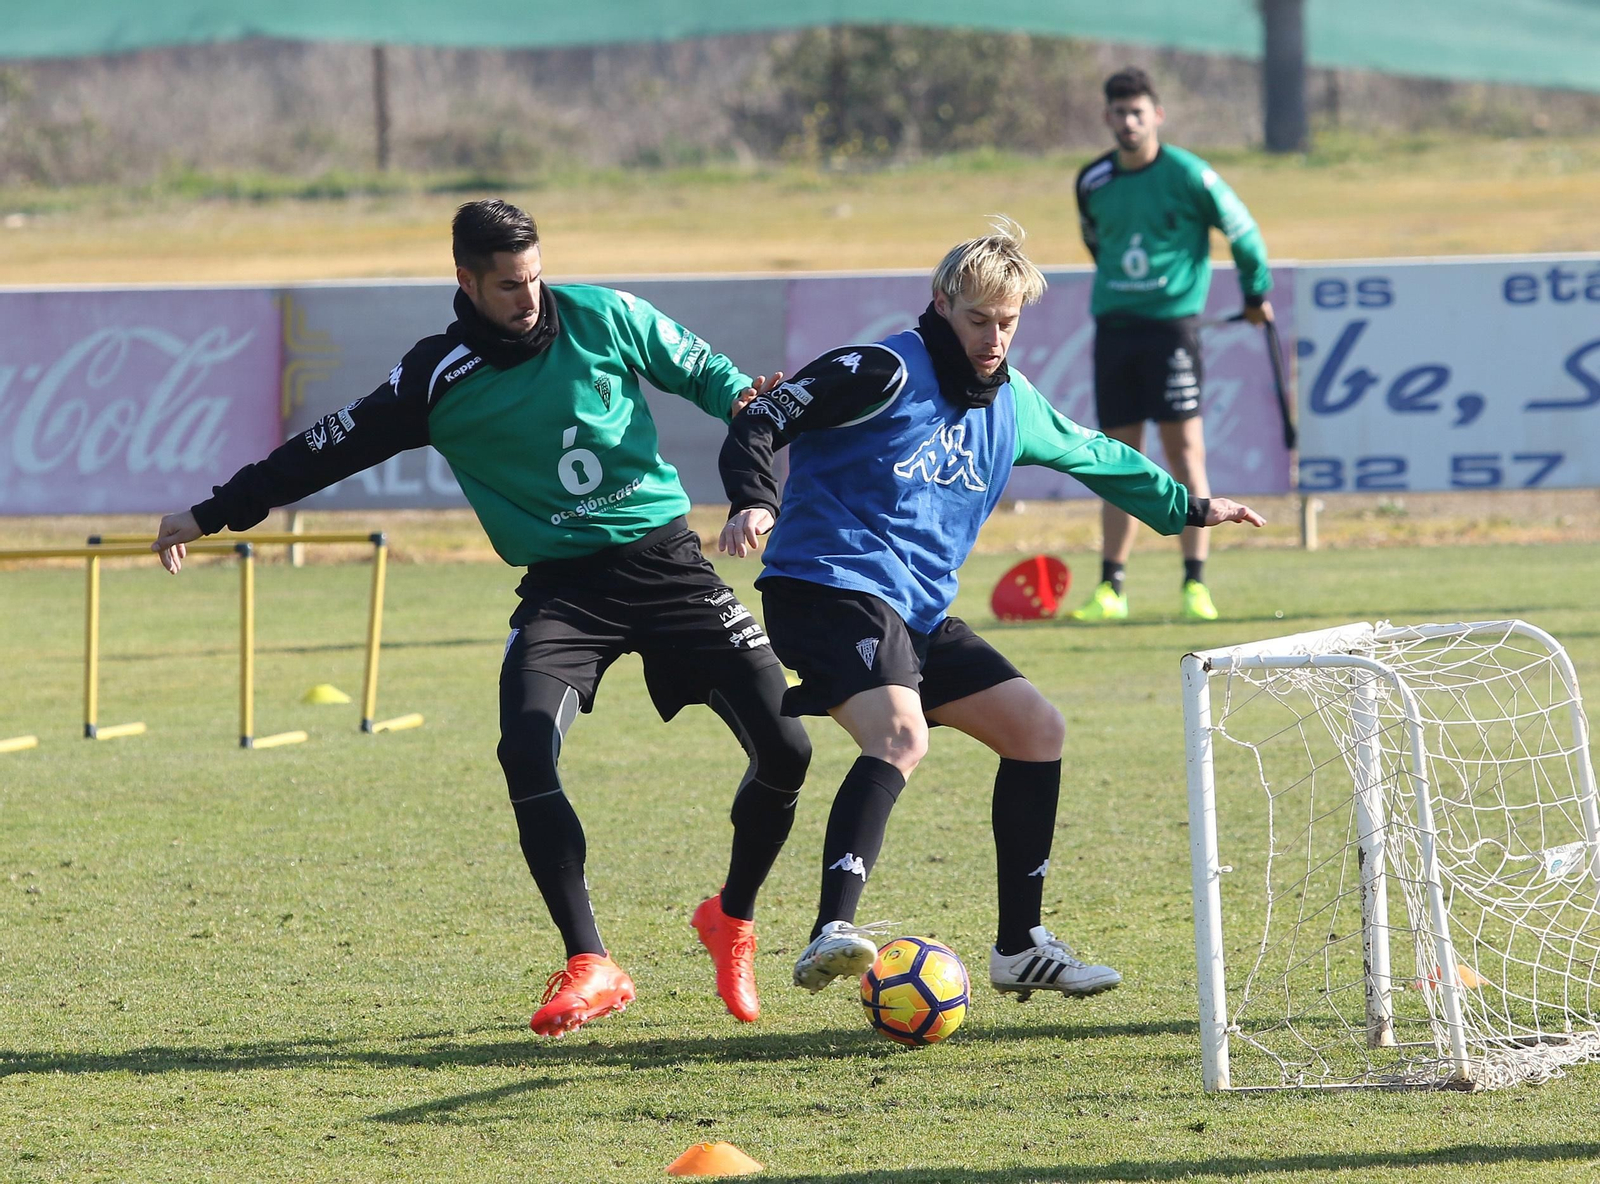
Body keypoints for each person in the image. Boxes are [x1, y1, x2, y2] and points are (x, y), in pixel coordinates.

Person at [151, 199, 811, 1036]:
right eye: (507, 285)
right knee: (525, 744)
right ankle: (592, 961)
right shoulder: (435, 377)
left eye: (535, 277)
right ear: (464, 281)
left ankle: (732, 918)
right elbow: (321, 449)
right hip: (566, 593)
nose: (529, 298)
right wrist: (212, 513)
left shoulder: (605, 315)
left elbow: (722, 382)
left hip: (669, 566)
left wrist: (753, 476)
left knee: (788, 746)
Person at [716, 219, 1263, 999]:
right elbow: (764, 417)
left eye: (1007, 322)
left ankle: (1020, 944)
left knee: (1037, 730)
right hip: (827, 587)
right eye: (978, 319)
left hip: (918, 614)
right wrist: (752, 500)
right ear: (942, 303)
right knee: (902, 736)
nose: (993, 338)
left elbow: (1096, 453)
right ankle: (832, 928)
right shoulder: (879, 369)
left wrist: (1187, 506)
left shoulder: (1014, 404)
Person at [1070, 66, 1274, 623]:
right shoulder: (1093, 181)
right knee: (1117, 461)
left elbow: (1244, 232)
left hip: (1171, 330)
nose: (1129, 123)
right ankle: (1112, 588)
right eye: (1119, 113)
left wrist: (1256, 291)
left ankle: (1194, 585)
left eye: (1139, 112)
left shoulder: (1190, 175)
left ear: (1157, 114)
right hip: (1115, 329)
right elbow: (1097, 241)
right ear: (1107, 117)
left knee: (1185, 452)